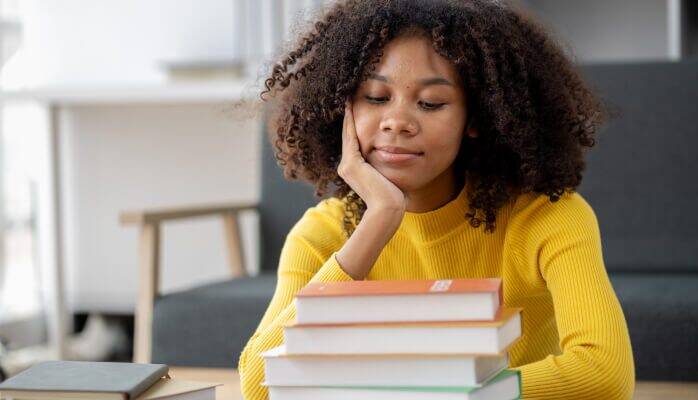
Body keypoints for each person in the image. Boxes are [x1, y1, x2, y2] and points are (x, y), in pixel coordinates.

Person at [238, 0, 634, 399]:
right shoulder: (321, 233)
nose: (397, 122)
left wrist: (450, 394)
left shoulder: (549, 218)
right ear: (344, 110)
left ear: (476, 118)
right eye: (375, 97)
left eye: (430, 103)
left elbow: (604, 372)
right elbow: (257, 385)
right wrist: (377, 223)